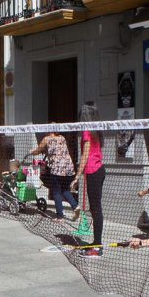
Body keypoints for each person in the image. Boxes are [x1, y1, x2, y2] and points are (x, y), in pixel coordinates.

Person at [71, 101, 105, 257]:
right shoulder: (97, 130)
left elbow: (85, 155)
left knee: (96, 209)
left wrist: (77, 176)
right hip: (99, 170)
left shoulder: (87, 131)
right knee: (95, 209)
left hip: (93, 171)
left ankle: (97, 247)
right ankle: (96, 242)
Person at [31, 129, 79, 222]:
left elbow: (38, 150)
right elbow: (58, 150)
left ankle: (60, 217)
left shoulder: (47, 139)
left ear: (49, 130)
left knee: (56, 192)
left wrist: (31, 152)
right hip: (69, 168)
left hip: (57, 169)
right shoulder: (62, 138)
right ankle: (75, 206)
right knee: (65, 190)